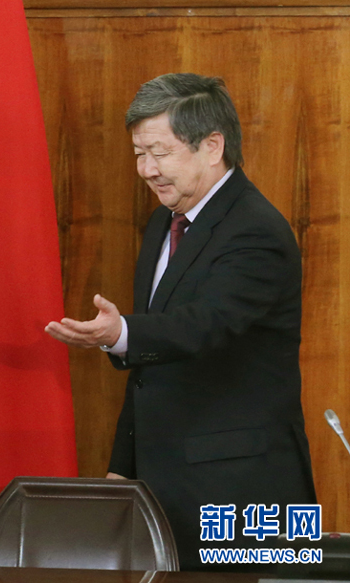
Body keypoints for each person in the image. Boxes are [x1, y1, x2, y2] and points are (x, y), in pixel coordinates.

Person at [45, 73, 316, 571]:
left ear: (213, 146)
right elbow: (154, 370)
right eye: (138, 154)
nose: (147, 170)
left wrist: (120, 333)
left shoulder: (257, 230)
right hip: (163, 487)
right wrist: (121, 469)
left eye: (160, 152)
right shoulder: (164, 222)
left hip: (241, 493)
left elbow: (205, 325)